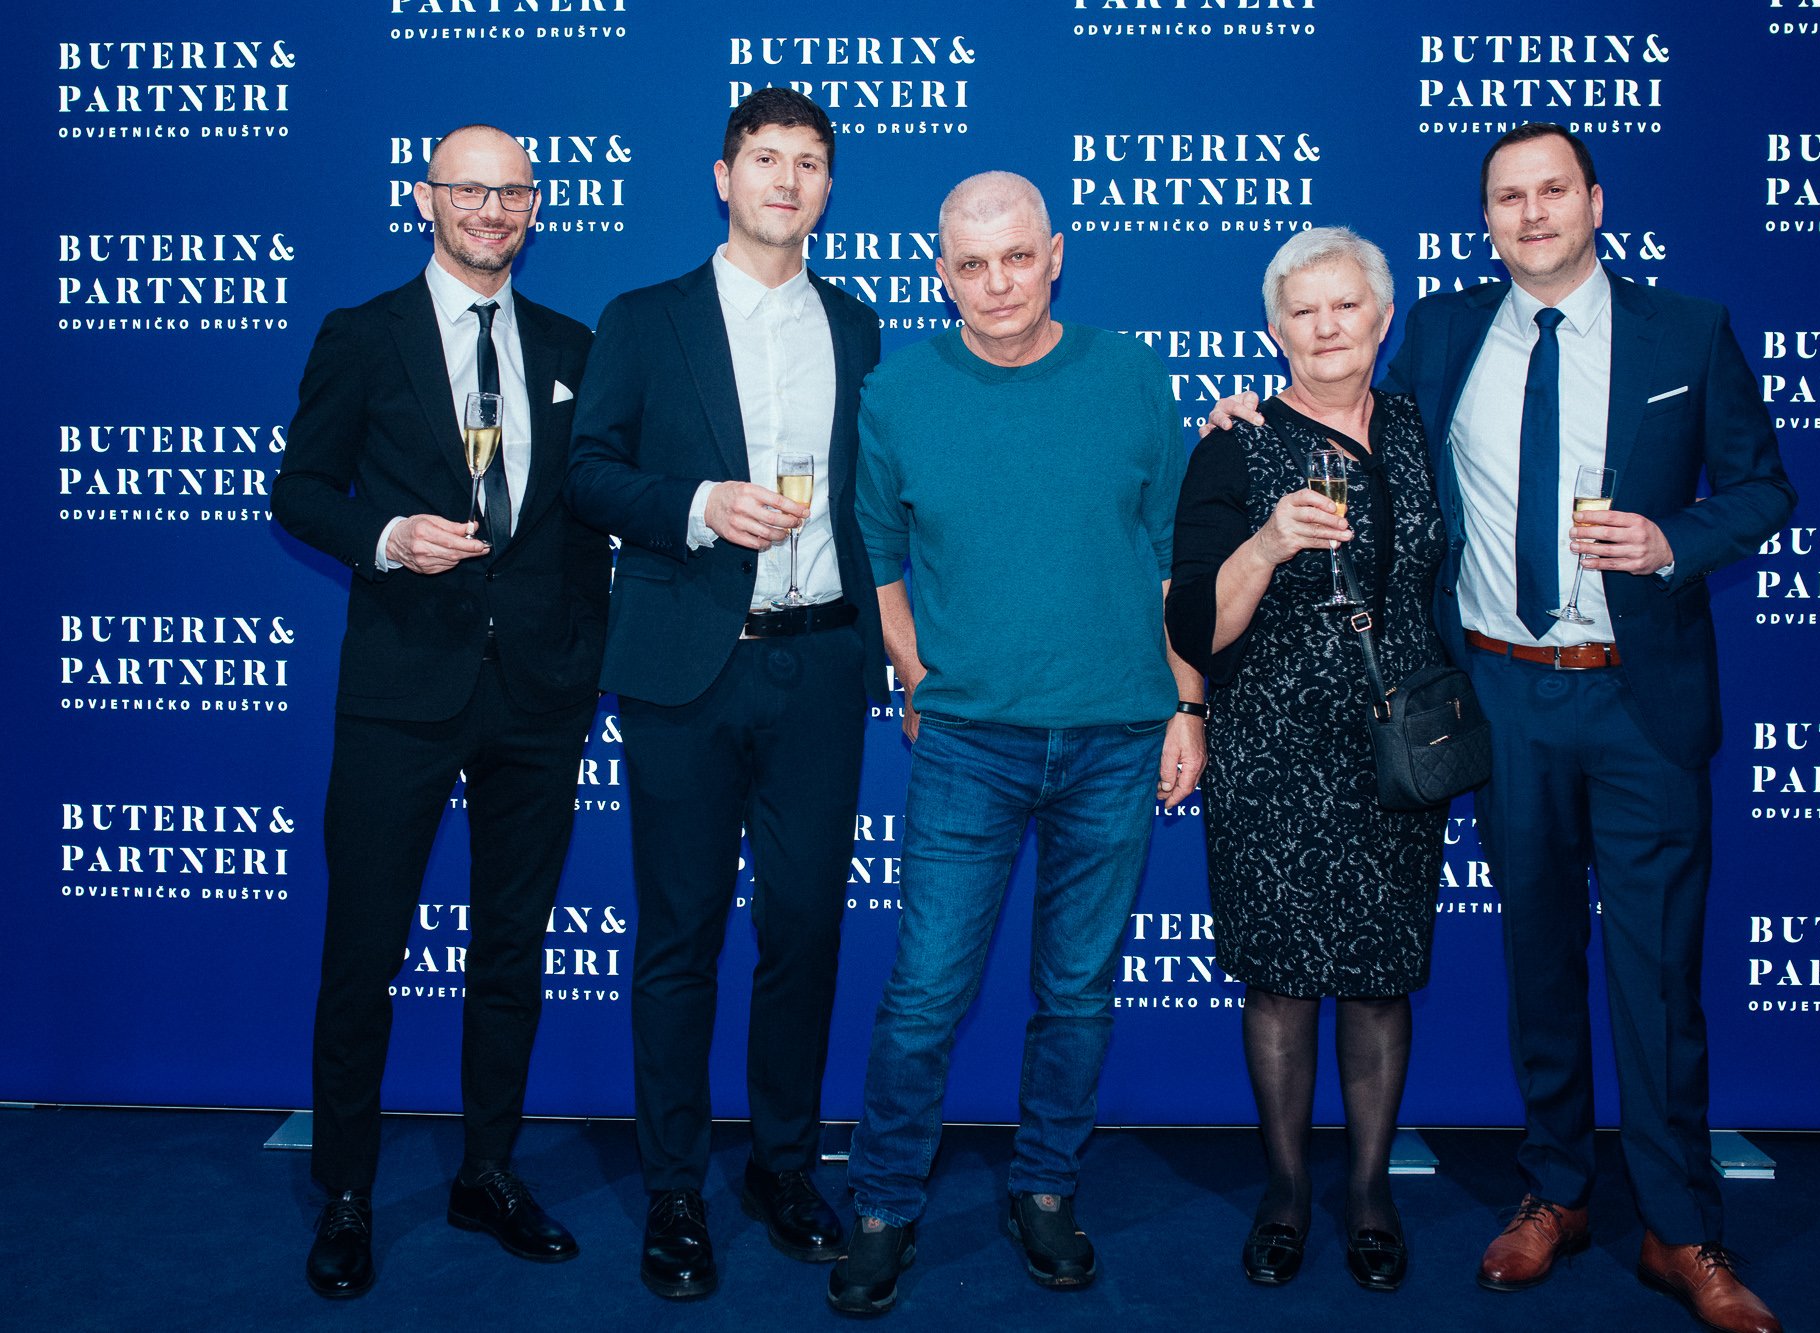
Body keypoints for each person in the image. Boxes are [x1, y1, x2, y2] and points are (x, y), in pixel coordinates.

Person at [1210, 125, 1795, 1333]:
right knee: (1536, 957)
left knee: (1654, 975)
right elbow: (1341, 406)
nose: (1530, 214)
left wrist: (1675, 541)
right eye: (1505, 198)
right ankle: (1555, 1192)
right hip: (1497, 693)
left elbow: (1762, 485)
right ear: (1484, 220)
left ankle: (1680, 1229)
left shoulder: (1686, 331)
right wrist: (1242, 419)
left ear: (1593, 200)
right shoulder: (1438, 332)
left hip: (1637, 694)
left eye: (1550, 191)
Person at [826, 172, 1206, 1317]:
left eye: (1015, 259)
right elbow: (878, 553)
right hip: (967, 744)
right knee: (925, 993)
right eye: (969, 265)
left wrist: (1185, 703)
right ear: (941, 271)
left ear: (1053, 255)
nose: (994, 285)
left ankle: (1045, 1189)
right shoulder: (895, 392)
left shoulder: (1132, 374)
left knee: (1077, 993)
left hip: (1115, 734)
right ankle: (884, 1204)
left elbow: (1170, 555)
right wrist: (911, 672)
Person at [273, 124, 608, 1300]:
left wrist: (585, 652)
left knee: (511, 949)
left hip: (537, 698)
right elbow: (299, 490)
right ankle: (350, 1195)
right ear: (428, 198)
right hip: (400, 693)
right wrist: (382, 537)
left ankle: (487, 1171)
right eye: (469, 188)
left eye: (512, 191)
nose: (491, 209)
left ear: (534, 206)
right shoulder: (361, 335)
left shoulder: (573, 345)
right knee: (363, 948)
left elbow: (594, 515)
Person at [564, 89, 886, 1302]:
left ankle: (784, 1166)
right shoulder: (643, 318)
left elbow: (880, 497)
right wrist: (699, 506)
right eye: (766, 160)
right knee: (679, 936)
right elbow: (588, 472)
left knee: (803, 931)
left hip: (818, 662)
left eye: (809, 164)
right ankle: (674, 1190)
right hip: (685, 667)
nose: (787, 181)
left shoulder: (855, 328)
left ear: (826, 187)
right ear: (721, 176)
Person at [1166, 227, 1445, 1293]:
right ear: (1272, 330)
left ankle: (1368, 1191)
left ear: (1381, 317)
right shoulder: (1230, 446)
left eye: (1345, 307)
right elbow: (1195, 623)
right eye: (1302, 312)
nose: (1325, 329)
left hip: (1392, 748)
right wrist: (1268, 541)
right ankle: (1285, 1191)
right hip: (1269, 748)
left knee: (1377, 983)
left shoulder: (1424, 431)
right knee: (1278, 983)